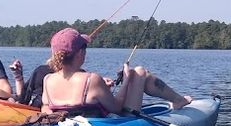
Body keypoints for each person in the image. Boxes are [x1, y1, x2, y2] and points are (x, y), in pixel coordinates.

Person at [41, 27, 192, 116]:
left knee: (136, 73)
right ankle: (178, 100)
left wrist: (99, 92)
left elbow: (46, 108)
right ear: (80, 53)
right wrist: (126, 80)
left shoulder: (48, 80)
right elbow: (117, 107)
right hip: (111, 125)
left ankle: (178, 100)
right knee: (139, 72)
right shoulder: (91, 79)